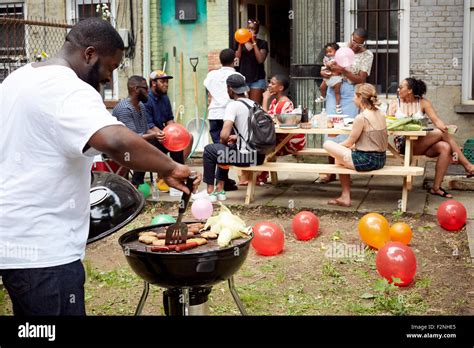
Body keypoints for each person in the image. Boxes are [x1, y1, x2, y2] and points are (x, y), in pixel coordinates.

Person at [0, 18, 201, 316]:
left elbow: (94, 143)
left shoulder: (19, 79)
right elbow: (115, 141)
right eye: (110, 66)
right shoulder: (68, 88)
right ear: (90, 54)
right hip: (44, 250)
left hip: (14, 241)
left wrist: (155, 166)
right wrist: (170, 167)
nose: (108, 78)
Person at [388, 78, 474, 198]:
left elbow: (437, 121)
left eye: (401, 87)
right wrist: (390, 115)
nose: (398, 89)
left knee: (445, 147)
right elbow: (388, 125)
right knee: (441, 133)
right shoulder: (394, 103)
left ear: (410, 90)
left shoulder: (423, 103)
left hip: (422, 143)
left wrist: (445, 127)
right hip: (404, 143)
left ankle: (436, 188)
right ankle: (468, 166)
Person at [318, 27, 374, 184]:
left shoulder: (367, 55)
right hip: (333, 88)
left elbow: (361, 79)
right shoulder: (339, 47)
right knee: (331, 130)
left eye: (360, 44)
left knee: (345, 130)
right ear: (351, 36)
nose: (356, 46)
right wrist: (324, 73)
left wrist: (343, 70)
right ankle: (331, 172)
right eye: (354, 41)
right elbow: (325, 66)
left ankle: (344, 172)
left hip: (351, 92)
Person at [201, 74, 266, 202]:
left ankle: (210, 192)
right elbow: (254, 132)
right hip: (259, 157)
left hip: (246, 158)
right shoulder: (255, 104)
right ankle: (220, 189)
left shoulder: (233, 105)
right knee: (225, 150)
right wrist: (237, 138)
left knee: (210, 151)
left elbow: (224, 135)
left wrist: (222, 144)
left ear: (230, 89)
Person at [323, 83, 387, 207]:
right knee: (339, 157)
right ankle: (344, 197)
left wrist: (336, 148)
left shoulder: (361, 117)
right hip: (381, 159)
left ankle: (345, 197)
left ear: (359, 97)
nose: (353, 99)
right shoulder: (380, 113)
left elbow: (349, 143)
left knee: (328, 144)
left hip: (367, 161)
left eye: (354, 96)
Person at [112, 75, 167, 187]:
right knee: (146, 145)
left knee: (167, 141)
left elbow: (145, 130)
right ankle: (135, 185)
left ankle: (174, 178)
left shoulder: (141, 105)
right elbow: (132, 137)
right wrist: (154, 135)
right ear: (136, 89)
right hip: (122, 148)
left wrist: (159, 134)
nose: (148, 91)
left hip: (136, 143)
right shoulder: (125, 109)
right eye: (146, 88)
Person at [252, 74, 306, 185]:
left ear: (280, 88)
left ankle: (259, 176)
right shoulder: (274, 102)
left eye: (273, 83)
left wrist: (265, 99)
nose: (269, 85)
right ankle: (257, 176)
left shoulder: (284, 103)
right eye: (269, 82)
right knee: (258, 144)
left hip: (291, 141)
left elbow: (265, 122)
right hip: (279, 139)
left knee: (262, 146)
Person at [203, 48, 241, 191]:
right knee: (227, 149)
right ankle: (221, 183)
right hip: (230, 116)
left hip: (214, 114)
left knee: (217, 149)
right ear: (234, 60)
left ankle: (220, 182)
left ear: (220, 60)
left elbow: (206, 84)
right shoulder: (237, 76)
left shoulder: (212, 75)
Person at [144, 69, 194, 165]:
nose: (166, 84)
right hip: (151, 136)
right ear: (153, 83)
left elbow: (169, 120)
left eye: (167, 82)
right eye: (162, 82)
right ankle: (174, 169)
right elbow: (149, 126)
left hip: (162, 132)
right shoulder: (146, 100)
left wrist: (177, 132)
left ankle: (178, 167)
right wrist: (168, 136)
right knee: (173, 139)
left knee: (184, 137)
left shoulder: (165, 98)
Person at [235, 19, 269, 105]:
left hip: (257, 79)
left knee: (254, 106)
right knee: (243, 105)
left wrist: (254, 43)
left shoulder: (262, 43)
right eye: (249, 28)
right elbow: (237, 58)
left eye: (253, 29)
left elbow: (260, 59)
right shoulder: (241, 43)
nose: (250, 30)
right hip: (243, 78)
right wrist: (240, 43)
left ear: (256, 31)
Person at [315, 42, 343, 114]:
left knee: (337, 93)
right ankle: (323, 96)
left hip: (336, 79)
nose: (328, 54)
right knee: (322, 87)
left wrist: (329, 65)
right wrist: (324, 69)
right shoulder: (326, 59)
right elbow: (325, 66)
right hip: (328, 78)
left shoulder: (338, 59)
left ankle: (337, 105)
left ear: (336, 52)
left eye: (330, 51)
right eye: (327, 52)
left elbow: (333, 65)